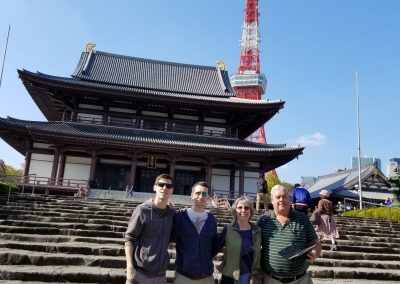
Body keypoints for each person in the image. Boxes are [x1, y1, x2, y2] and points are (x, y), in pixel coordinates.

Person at [257, 184, 321, 284]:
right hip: (270, 280)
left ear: (290, 199)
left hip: (300, 280)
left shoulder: (303, 219)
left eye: (284, 196)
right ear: (272, 200)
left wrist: (314, 253)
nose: (281, 199)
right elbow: (253, 245)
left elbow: (316, 243)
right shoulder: (264, 220)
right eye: (278, 197)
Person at [124, 173, 175, 284]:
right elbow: (129, 239)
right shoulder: (142, 210)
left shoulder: (172, 213)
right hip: (140, 273)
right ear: (154, 187)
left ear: (172, 190)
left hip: (161, 275)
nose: (164, 188)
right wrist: (129, 266)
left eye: (168, 186)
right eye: (161, 185)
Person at [172, 181, 218, 284]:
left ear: (208, 197)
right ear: (192, 195)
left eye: (205, 194)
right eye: (198, 193)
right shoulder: (180, 217)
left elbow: (213, 244)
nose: (201, 196)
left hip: (207, 275)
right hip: (184, 275)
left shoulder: (212, 220)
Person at [216, 196, 262, 284]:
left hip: (249, 277)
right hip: (230, 276)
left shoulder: (257, 231)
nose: (243, 210)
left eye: (246, 208)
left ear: (250, 211)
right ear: (235, 210)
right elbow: (215, 249)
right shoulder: (228, 229)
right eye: (240, 207)